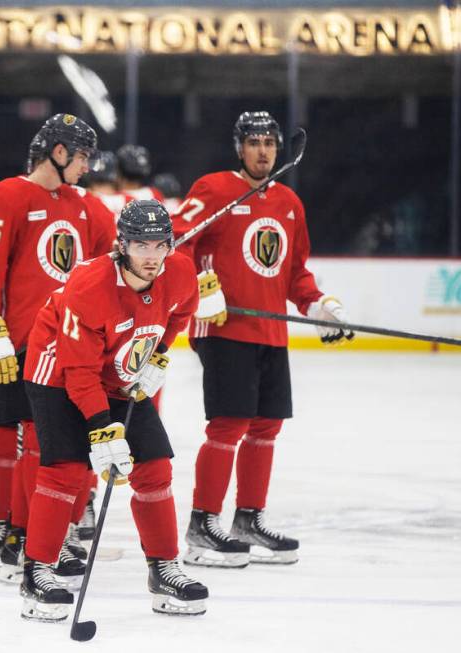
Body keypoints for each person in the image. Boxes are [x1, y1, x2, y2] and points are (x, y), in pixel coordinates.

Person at [171, 110, 354, 568]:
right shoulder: (213, 189)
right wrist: (199, 289)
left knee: (266, 427)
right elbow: (176, 243)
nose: (263, 150)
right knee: (229, 425)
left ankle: (248, 519)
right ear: (239, 148)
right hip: (224, 327)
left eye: (270, 143)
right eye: (254, 142)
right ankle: (202, 525)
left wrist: (320, 306)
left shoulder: (289, 202)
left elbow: (295, 274)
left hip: (270, 330)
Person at [20, 199, 207, 621]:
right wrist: (103, 430)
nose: (153, 256)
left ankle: (163, 567)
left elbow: (180, 313)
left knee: (154, 465)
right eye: (141, 245)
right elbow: (78, 370)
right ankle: (38, 571)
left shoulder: (178, 271)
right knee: (67, 469)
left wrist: (157, 353)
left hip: (119, 365)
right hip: (57, 368)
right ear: (122, 244)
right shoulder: (89, 285)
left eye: (161, 244)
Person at [0, 113, 113, 576]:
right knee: (33, 444)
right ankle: (22, 538)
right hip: (26, 344)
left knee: (60, 448)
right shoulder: (7, 196)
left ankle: (42, 536)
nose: (87, 166)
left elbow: (118, 257)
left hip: (76, 346)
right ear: (58, 153)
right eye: (82, 156)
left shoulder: (86, 205)